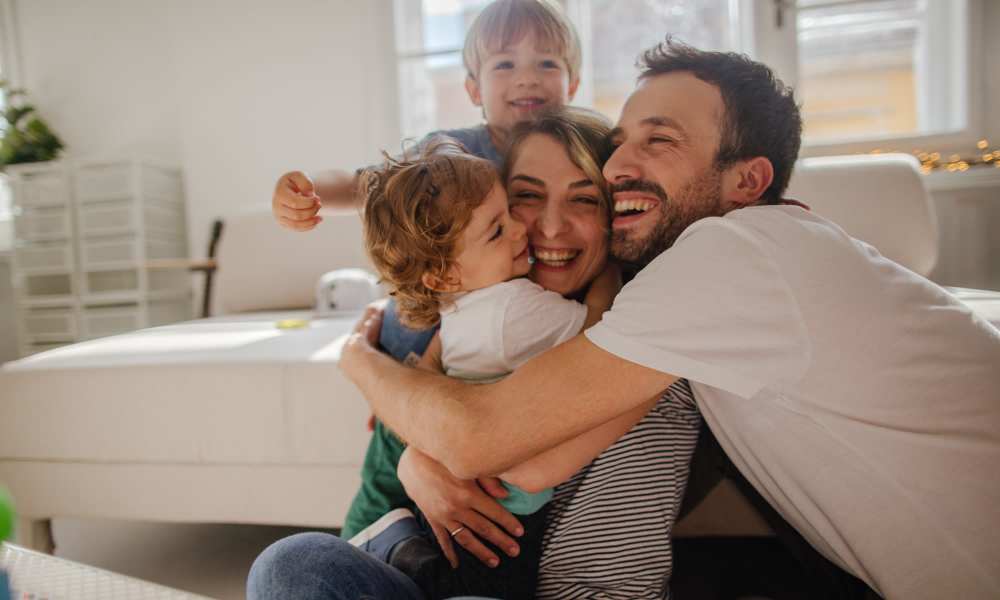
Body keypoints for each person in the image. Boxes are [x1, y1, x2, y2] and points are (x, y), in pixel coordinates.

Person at [339, 38, 1000, 600]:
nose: (619, 166)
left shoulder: (729, 256)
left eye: (659, 140)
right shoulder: (730, 272)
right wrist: (416, 454)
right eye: (620, 143)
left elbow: (487, 444)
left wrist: (359, 361)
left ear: (747, 182)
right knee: (301, 562)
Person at [248, 108, 702, 600]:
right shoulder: (482, 306)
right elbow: (429, 373)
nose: (546, 228)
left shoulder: (644, 334)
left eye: (585, 199)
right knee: (289, 564)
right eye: (526, 197)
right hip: (448, 557)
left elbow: (507, 456)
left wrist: (370, 373)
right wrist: (410, 448)